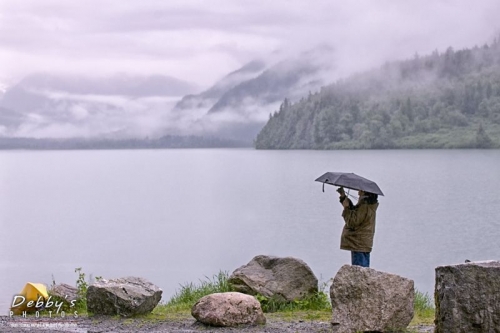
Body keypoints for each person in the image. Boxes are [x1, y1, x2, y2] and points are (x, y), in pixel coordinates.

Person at [337, 187, 379, 267]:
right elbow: (355, 213)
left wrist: (346, 208)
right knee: (364, 271)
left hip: (358, 242)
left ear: (363, 191)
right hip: (363, 242)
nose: (358, 191)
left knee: (359, 271)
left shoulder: (364, 206)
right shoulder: (368, 204)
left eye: (360, 189)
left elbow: (352, 222)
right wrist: (343, 197)